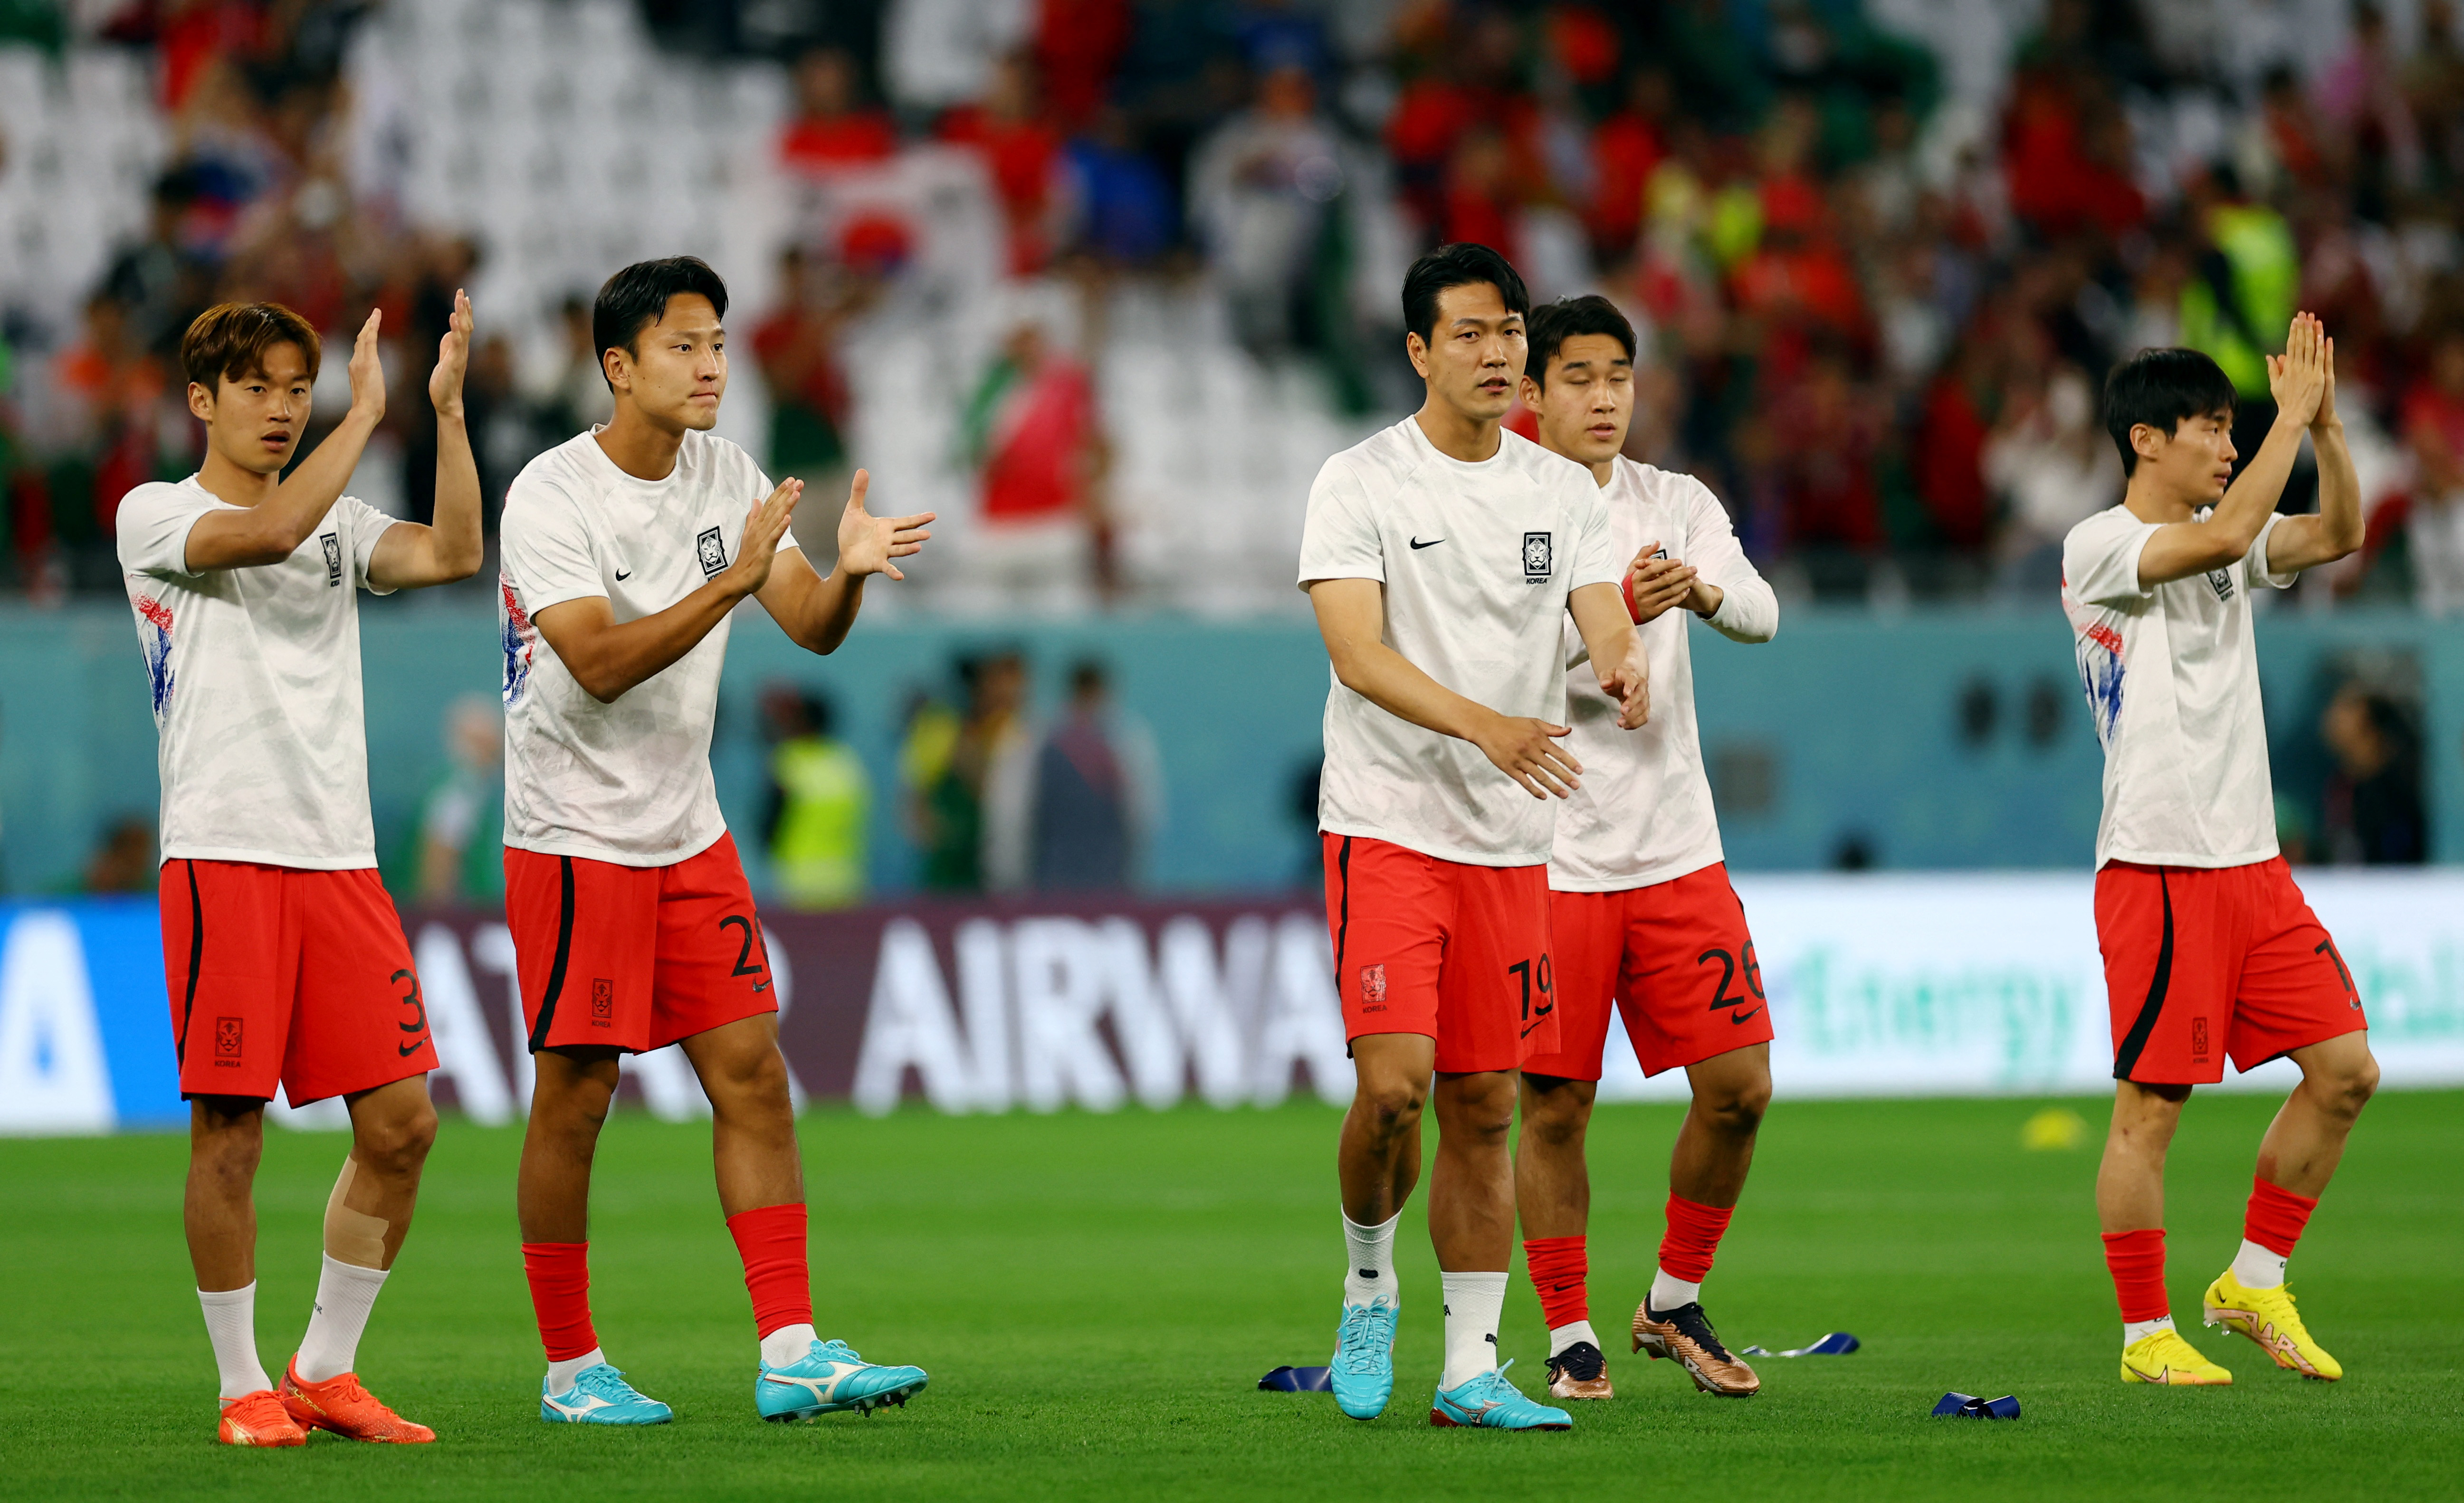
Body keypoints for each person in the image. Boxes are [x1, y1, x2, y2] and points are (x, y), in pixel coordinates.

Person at [498, 256, 936, 1427]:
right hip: (575, 832)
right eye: (684, 345)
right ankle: (569, 1367)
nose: (710, 367)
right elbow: (591, 665)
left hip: (687, 832)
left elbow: (807, 627)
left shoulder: (726, 472)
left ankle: (790, 1348)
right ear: (617, 366)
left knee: (753, 1077)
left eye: (719, 344)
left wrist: (841, 575)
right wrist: (729, 580)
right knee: (576, 1097)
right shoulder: (551, 495)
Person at [116, 293, 484, 1446]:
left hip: (339, 859)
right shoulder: (154, 517)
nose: (281, 409)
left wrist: (447, 416)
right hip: (225, 854)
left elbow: (457, 552)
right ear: (202, 401)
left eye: (297, 389)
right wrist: (364, 416)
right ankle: (239, 1388)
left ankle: (324, 1368)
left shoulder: (334, 519)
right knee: (230, 1131)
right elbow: (268, 535)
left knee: (403, 1126)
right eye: (258, 389)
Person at [1299, 243, 1649, 1433]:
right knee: (1393, 1091)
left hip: (1508, 842)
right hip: (1387, 825)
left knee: (1486, 1106)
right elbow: (1356, 655)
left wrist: (1617, 654)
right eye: (1469, 334)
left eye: (1508, 331)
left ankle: (1465, 1370)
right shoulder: (1358, 482)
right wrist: (1487, 726)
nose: (1498, 352)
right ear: (1417, 352)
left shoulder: (1557, 490)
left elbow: (1593, 602)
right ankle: (1362, 1281)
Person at [2062, 321, 2373, 1388]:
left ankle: (2250, 1279)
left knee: (2345, 1071)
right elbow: (2220, 534)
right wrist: (2291, 416)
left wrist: (2324, 431)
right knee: (2152, 1110)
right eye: (2212, 428)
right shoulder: (2097, 545)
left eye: (2236, 429)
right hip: (2156, 864)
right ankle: (2144, 1334)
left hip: (2252, 864)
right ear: (2145, 439)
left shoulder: (2228, 532)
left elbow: (2335, 532)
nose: (2228, 448)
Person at [1508, 295, 1779, 1403]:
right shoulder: (1502, 517)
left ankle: (1670, 1301)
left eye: (1617, 374)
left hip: (1674, 851)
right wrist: (1614, 617)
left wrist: (1701, 594)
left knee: (1738, 1087)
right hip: (1552, 859)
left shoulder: (1676, 501)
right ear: (1532, 393)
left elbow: (1761, 613)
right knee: (1554, 1107)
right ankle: (1569, 1333)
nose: (1604, 396)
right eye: (1577, 376)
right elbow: (1502, 681)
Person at [984, 657, 1161, 893]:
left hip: (1087, 876)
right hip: (1061, 876)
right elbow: (1143, 815)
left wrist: (1008, 875)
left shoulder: (1123, 742)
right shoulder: (1043, 740)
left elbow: (1141, 814)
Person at [760, 683, 871, 909]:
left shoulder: (788, 761)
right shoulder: (849, 763)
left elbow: (770, 821)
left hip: (799, 882)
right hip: (847, 879)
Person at [412, 694, 505, 904]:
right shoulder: (461, 788)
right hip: (479, 914)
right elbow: (439, 854)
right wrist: (441, 915)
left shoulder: (482, 786)